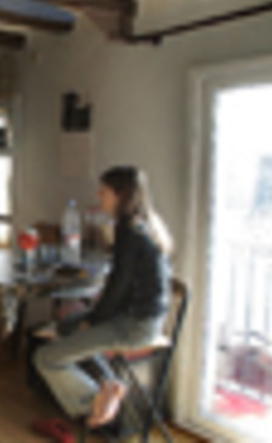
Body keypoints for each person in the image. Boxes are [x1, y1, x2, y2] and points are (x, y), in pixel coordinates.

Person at [33, 166, 173, 429]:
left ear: (121, 195)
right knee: (66, 326)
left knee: (44, 357)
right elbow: (123, 287)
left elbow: (117, 287)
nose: (98, 195)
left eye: (104, 191)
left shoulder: (128, 232)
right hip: (142, 319)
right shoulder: (143, 226)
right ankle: (110, 383)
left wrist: (93, 320)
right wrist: (90, 318)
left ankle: (94, 402)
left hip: (135, 326)